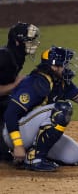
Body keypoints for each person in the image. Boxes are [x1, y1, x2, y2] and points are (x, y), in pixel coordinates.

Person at [0, 22, 40, 162]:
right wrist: (15, 84)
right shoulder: (3, 57)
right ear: (17, 42)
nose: (33, 43)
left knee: (21, 107)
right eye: (28, 40)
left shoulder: (17, 55)